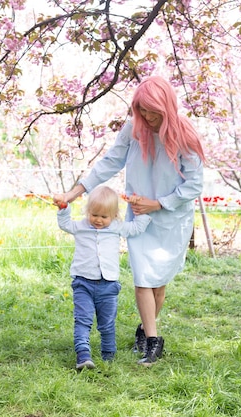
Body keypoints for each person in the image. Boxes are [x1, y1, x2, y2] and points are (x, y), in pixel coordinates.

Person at [54, 75, 206, 366]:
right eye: (142, 109)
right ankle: (153, 341)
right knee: (143, 279)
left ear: (167, 107)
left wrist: (159, 203)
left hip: (171, 218)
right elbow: (109, 162)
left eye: (153, 111)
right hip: (139, 216)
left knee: (158, 283)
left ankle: (144, 328)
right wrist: (74, 193)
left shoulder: (184, 135)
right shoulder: (133, 130)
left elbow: (194, 186)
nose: (147, 117)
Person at [56, 185, 152, 370]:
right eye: (94, 215)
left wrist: (140, 209)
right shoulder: (81, 226)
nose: (98, 220)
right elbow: (65, 224)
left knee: (107, 323)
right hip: (83, 282)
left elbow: (137, 228)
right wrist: (63, 208)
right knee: (82, 320)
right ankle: (83, 355)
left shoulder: (116, 227)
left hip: (108, 285)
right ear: (87, 211)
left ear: (114, 215)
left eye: (104, 217)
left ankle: (108, 354)